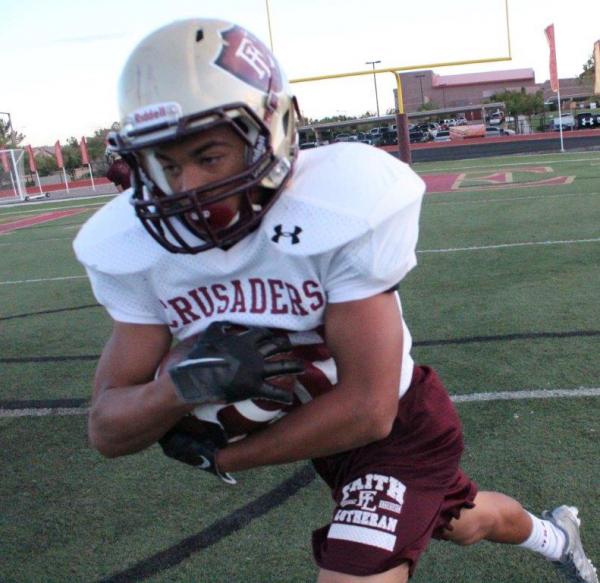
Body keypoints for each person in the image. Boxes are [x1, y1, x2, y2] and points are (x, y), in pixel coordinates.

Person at [73, 18, 597, 583]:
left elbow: (368, 410)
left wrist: (224, 457)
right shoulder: (136, 248)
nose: (188, 189)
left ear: (269, 132)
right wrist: (183, 387)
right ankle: (555, 536)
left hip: (399, 427)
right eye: (167, 166)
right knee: (466, 521)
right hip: (322, 433)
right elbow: (106, 428)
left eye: (208, 156)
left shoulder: (336, 207)